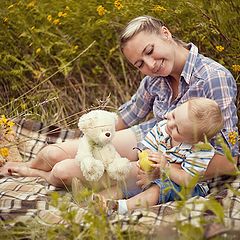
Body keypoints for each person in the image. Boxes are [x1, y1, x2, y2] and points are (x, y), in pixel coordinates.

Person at [0, 15, 238, 189]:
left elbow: (230, 161)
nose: (150, 64)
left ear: (165, 34)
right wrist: (92, 130)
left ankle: (39, 176)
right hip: (148, 138)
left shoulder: (213, 77)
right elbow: (124, 119)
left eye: (150, 50)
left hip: (177, 159)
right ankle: (22, 166)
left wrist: (165, 168)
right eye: (140, 64)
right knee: (53, 153)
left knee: (64, 171)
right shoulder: (154, 79)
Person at [93, 97, 224, 214]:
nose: (170, 124)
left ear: (194, 140)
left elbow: (188, 180)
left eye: (177, 129)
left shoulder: (201, 150)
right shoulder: (163, 128)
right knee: (131, 184)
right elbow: (145, 147)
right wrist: (146, 160)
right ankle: (93, 201)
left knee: (158, 189)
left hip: (185, 188)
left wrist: (166, 167)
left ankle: (121, 207)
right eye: (173, 115)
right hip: (159, 176)